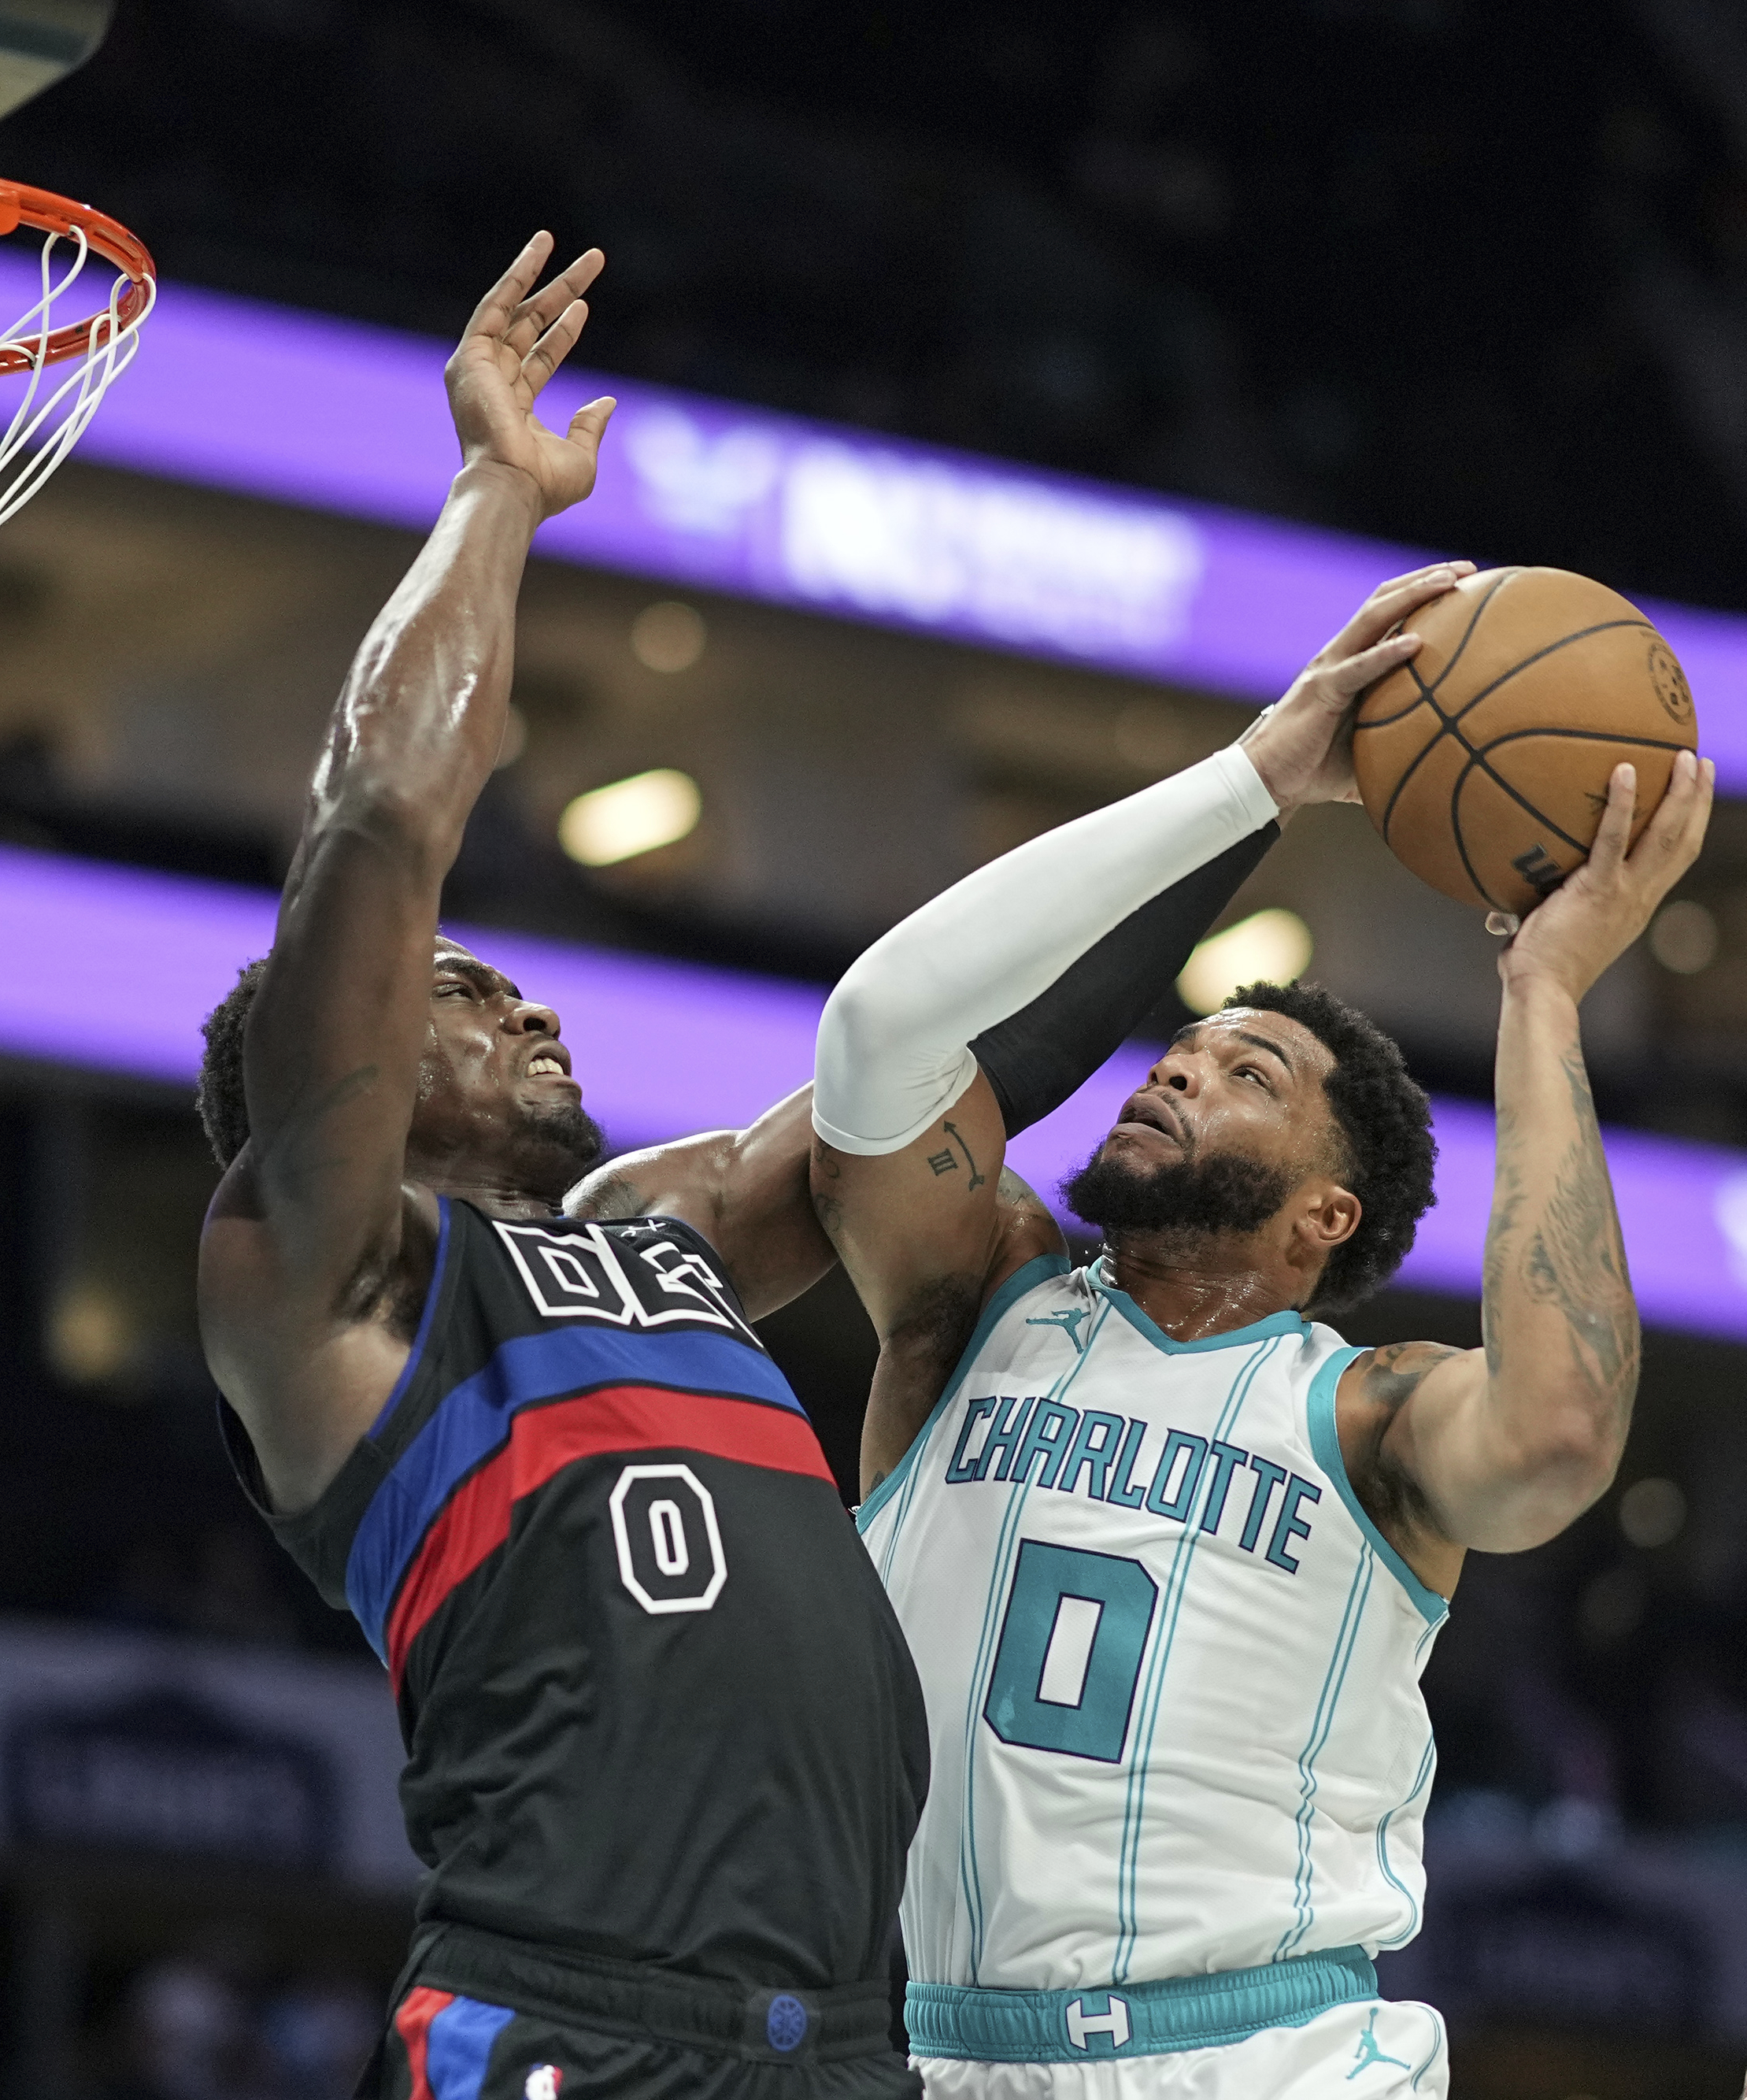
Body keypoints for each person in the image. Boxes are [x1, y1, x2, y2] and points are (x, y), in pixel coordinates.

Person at [194, 235, 1278, 2098]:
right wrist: (495, 491)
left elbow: (946, 1080)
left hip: (845, 2043)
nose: (525, 1012)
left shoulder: (654, 1231)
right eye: (462, 992)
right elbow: (380, 809)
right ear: (333, 1073)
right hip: (571, 2021)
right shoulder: (328, 1274)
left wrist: (1262, 785)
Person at [811, 565, 1715, 2093]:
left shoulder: (1363, 1414)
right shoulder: (974, 1310)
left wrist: (1543, 995)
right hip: (947, 2054)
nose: (1173, 1072)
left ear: (1325, 1215)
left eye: (1246, 1074)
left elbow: (1557, 1435)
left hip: (1265, 2056)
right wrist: (1255, 776)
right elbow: (878, 1032)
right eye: (1178, 1049)